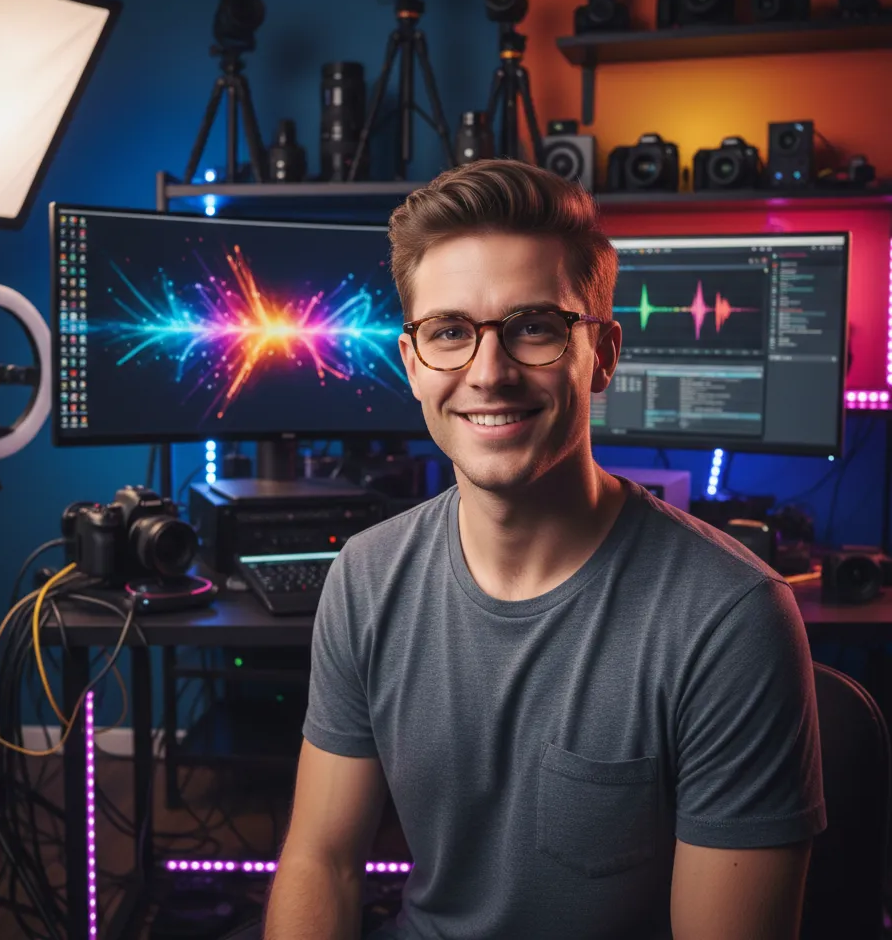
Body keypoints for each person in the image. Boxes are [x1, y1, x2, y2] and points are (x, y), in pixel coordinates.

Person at [263, 158, 826, 939]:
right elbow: (319, 860)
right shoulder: (366, 574)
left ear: (604, 354)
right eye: (450, 333)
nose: (488, 374)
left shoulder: (730, 618)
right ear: (412, 363)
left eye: (535, 328)